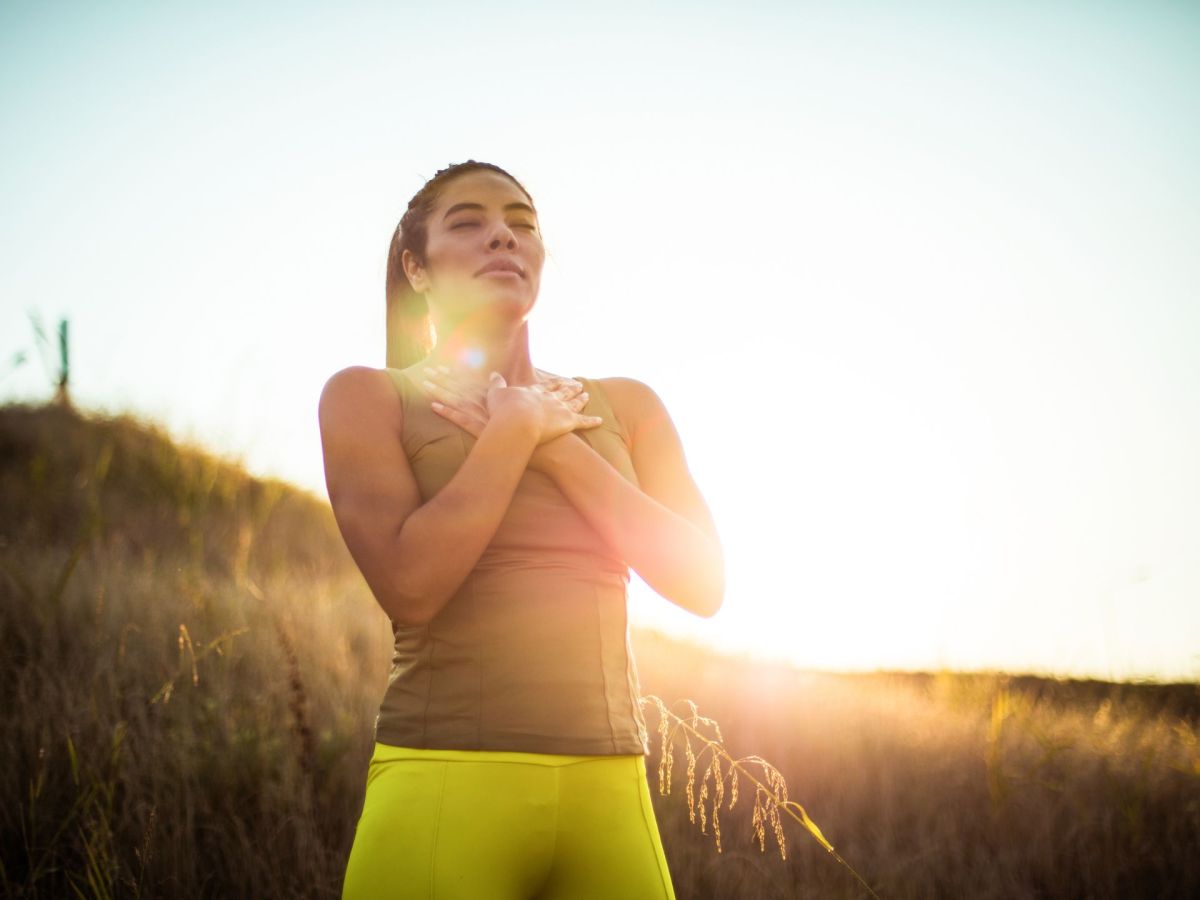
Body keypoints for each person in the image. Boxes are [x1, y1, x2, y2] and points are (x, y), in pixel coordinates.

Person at [319, 160, 724, 900]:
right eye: (467, 222)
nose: (503, 234)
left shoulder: (627, 405)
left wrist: (550, 439)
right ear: (416, 267)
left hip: (612, 792)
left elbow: (702, 583)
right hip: (444, 785)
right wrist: (509, 436)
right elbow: (411, 585)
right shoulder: (367, 398)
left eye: (522, 223)